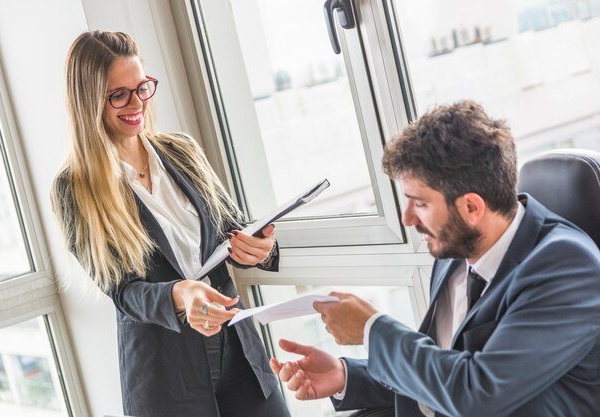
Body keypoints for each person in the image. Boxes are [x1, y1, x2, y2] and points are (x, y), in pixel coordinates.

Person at [270, 100, 600, 417]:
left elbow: (478, 394)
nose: (407, 219)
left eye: (421, 204)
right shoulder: (454, 252)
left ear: (471, 207)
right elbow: (438, 372)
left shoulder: (568, 270)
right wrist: (346, 376)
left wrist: (372, 330)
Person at [51, 31, 290, 417]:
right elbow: (124, 292)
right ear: (88, 101)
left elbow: (230, 229)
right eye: (119, 95)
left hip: (237, 348)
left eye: (142, 87)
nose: (137, 103)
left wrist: (259, 248)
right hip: (164, 375)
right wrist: (181, 294)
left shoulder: (181, 151)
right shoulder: (75, 189)